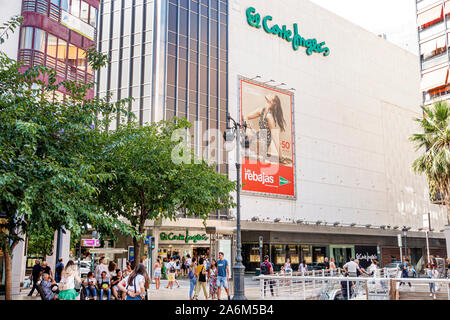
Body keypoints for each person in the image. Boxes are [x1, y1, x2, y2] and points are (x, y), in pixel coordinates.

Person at [243, 94, 290, 165]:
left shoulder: (269, 117)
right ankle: (248, 151)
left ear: (273, 102)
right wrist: (247, 126)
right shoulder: (261, 110)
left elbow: (275, 138)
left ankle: (251, 152)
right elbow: (246, 116)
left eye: (272, 96)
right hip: (259, 135)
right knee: (248, 132)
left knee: (249, 136)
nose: (270, 94)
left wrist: (281, 157)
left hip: (264, 140)